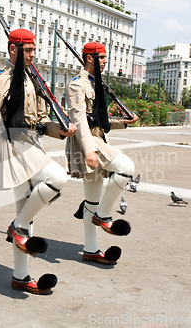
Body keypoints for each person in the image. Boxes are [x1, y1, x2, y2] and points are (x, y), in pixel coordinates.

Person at [0, 28, 77, 295]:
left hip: (31, 144)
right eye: (28, 50)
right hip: (10, 145)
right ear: (13, 50)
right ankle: (17, 227)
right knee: (57, 178)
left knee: (26, 212)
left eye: (35, 50)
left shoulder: (34, 79)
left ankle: (21, 276)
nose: (34, 55)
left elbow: (42, 121)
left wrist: (62, 130)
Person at [65, 41, 139, 266]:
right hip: (86, 143)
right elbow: (79, 121)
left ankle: (90, 249)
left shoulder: (96, 84)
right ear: (90, 58)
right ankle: (104, 215)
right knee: (126, 167)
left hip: (97, 139)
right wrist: (88, 150)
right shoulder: (77, 85)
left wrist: (124, 123)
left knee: (91, 200)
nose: (106, 61)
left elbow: (99, 121)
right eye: (103, 57)